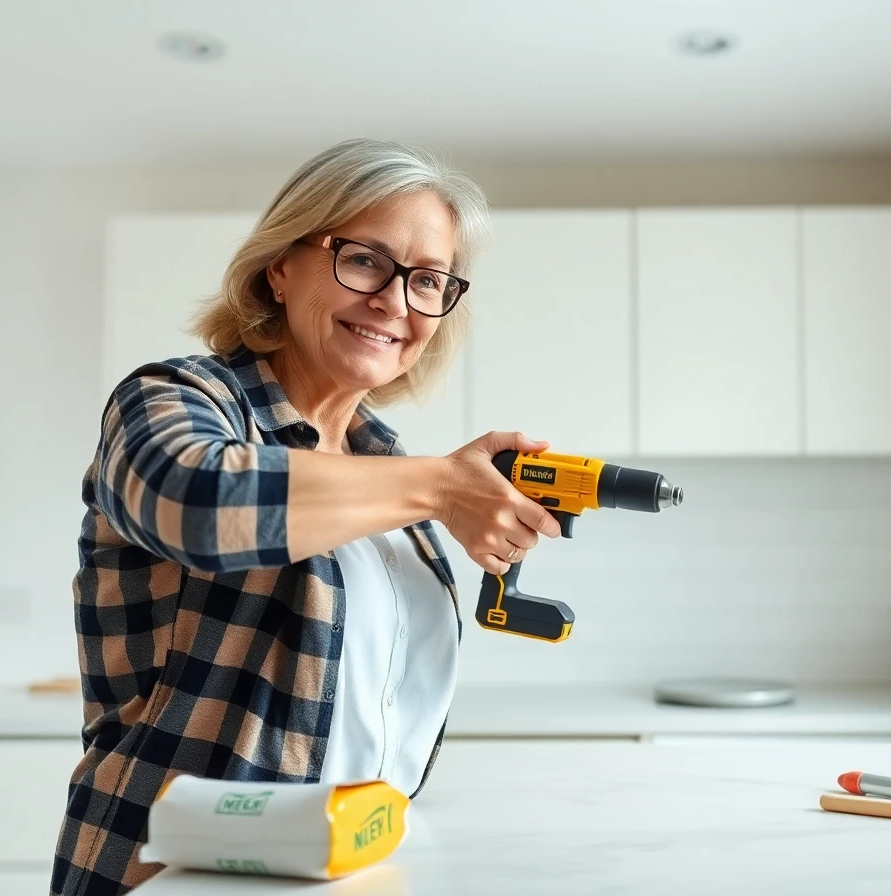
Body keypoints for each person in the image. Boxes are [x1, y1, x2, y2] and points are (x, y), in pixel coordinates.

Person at [50, 137, 562, 896]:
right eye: (363, 260)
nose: (394, 301)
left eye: (428, 281)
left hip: (344, 873)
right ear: (280, 268)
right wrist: (443, 489)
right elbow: (197, 505)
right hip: (169, 877)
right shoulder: (176, 398)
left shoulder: (392, 471)